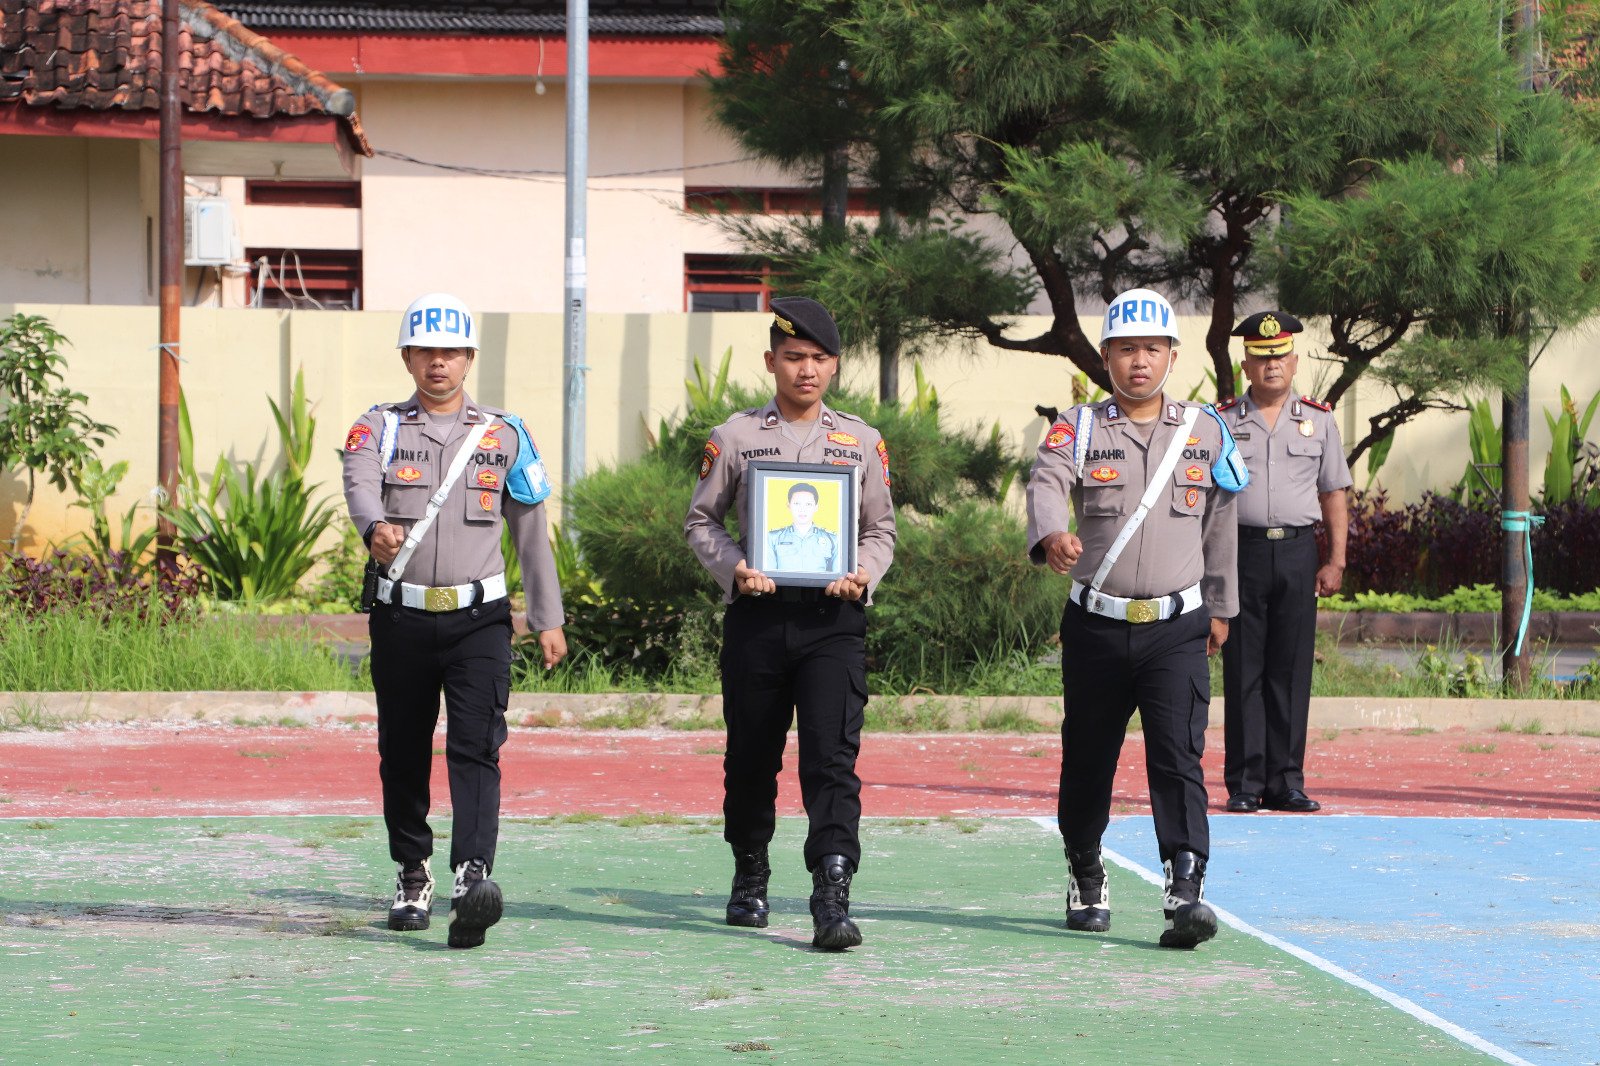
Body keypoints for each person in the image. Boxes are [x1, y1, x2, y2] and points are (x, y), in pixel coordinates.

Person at [342, 291, 567, 949]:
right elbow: (358, 483)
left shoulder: (506, 434)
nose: (438, 362)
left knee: (477, 746)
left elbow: (530, 530)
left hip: (481, 620)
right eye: (425, 351)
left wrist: (547, 616)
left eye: (450, 351)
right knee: (403, 751)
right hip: (403, 620)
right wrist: (373, 526)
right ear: (408, 357)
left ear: (468, 357)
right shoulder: (378, 427)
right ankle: (413, 871)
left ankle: (473, 876)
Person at [1025, 287, 1247, 949]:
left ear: (1172, 356)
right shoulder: (1080, 427)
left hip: (1177, 626)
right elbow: (1044, 481)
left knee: (1178, 755)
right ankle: (1086, 870)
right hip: (1096, 625)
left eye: (1152, 348)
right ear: (1107, 356)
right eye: (1125, 349)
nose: (1138, 361)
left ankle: (1185, 885)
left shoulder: (1205, 429)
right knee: (1088, 758)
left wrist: (1222, 605)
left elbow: (1222, 520)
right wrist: (1051, 535)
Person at [684, 296, 896, 951]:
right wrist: (735, 568)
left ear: (834, 367)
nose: (806, 371)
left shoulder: (860, 442)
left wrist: (862, 570)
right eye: (794, 358)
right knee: (751, 758)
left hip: (834, 620)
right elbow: (701, 521)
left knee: (832, 760)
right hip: (757, 617)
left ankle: (832, 892)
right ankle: (750, 870)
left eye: (819, 359)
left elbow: (882, 527)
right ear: (772, 361)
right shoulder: (738, 437)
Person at [1218, 311, 1352, 814]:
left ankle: (1287, 782)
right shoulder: (1224, 421)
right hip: (1242, 552)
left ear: (1293, 362)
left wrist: (1336, 558)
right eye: (1260, 357)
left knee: (1290, 670)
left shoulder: (1318, 420)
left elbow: (1334, 491)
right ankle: (1247, 784)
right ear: (1246, 365)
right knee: (1244, 669)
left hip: (1298, 552)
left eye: (1279, 357)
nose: (1270, 365)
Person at [767, 481, 839, 573]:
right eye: (797, 504)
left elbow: (837, 577)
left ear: (816, 507)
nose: (802, 509)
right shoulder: (773, 537)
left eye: (808, 504)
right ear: (788, 505)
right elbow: (768, 576)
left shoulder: (832, 539)